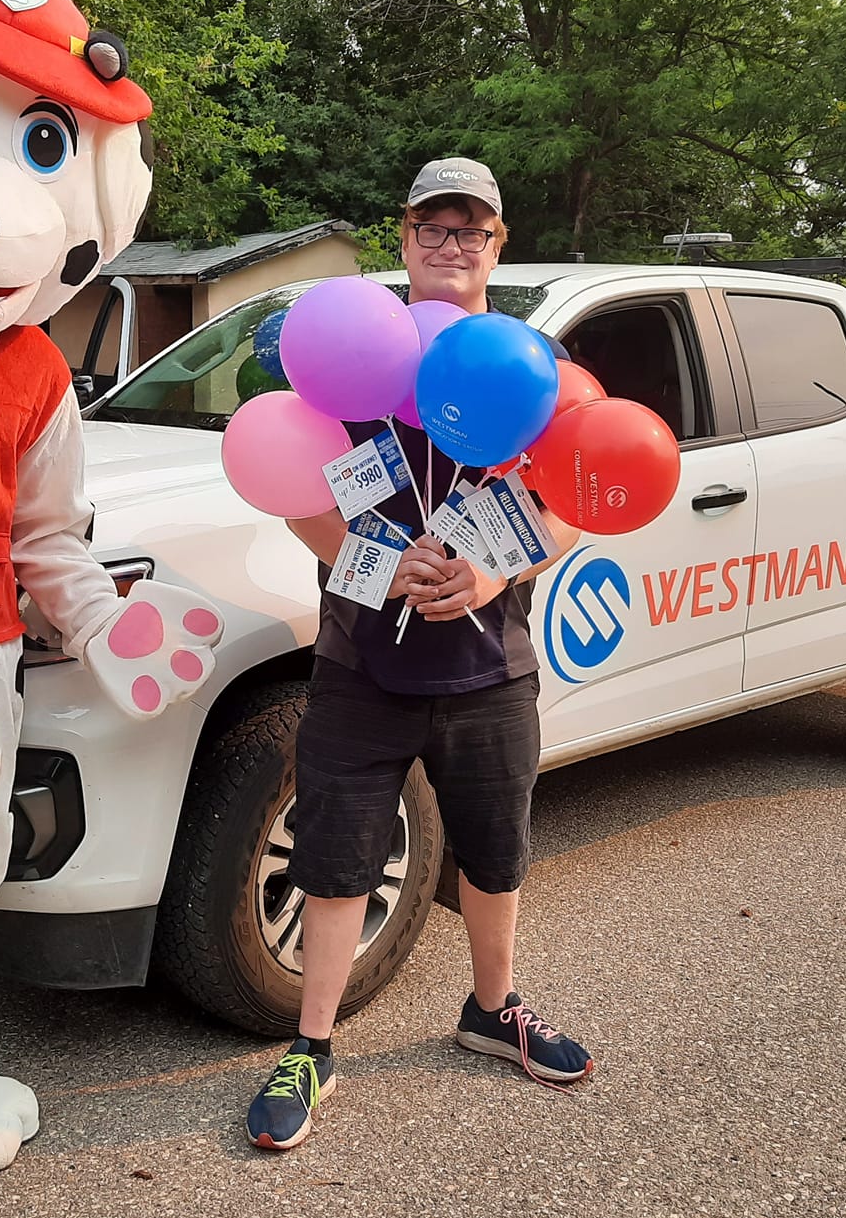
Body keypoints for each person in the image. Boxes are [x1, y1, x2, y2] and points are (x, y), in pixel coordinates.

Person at [245, 157, 594, 1152]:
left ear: (497, 244)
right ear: (401, 239)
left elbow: (573, 496)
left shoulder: (529, 364)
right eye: (432, 229)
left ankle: (492, 1010)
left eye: (469, 231)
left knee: (496, 851)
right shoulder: (349, 353)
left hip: (490, 668)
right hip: (362, 664)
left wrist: (492, 571)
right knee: (335, 855)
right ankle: (310, 1044)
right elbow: (296, 489)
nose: (450, 245)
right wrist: (380, 563)